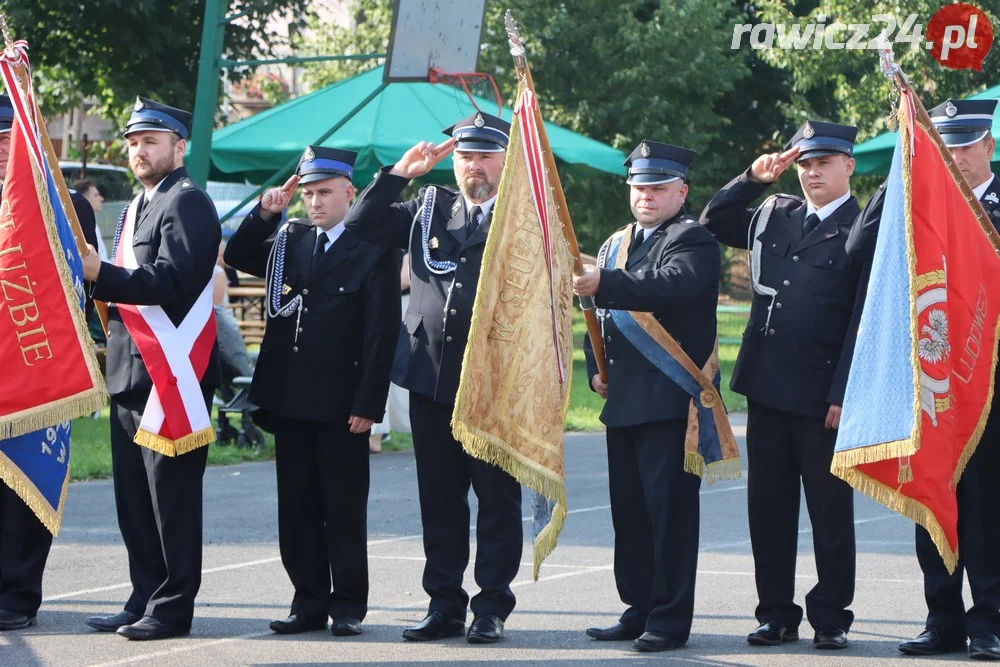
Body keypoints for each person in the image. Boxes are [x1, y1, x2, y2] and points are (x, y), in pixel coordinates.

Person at [343, 111, 522, 644]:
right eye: (466, 155)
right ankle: (444, 603)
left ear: (505, 161)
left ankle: (491, 606)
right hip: (430, 376)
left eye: (486, 155)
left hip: (493, 382)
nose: (475, 165)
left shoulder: (525, 216)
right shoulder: (428, 207)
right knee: (439, 498)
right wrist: (400, 174)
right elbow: (360, 223)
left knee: (495, 500)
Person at [700, 121, 866, 650]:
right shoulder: (777, 213)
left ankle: (832, 615)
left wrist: (843, 391)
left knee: (829, 511)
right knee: (768, 510)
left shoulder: (865, 228)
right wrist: (752, 178)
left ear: (848, 166)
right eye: (804, 164)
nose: (812, 172)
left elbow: (863, 317)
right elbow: (714, 221)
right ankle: (775, 612)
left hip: (822, 396)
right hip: (768, 387)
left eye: (823, 162)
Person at [847, 99, 1000, 661]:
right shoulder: (917, 207)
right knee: (931, 490)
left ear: (988, 145)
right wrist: (898, 182)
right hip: (930, 380)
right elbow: (855, 250)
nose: (955, 156)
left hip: (987, 383)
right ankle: (942, 619)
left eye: (964, 144)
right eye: (945, 146)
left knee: (985, 506)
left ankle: (988, 620)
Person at [224, 146, 399, 637]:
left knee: (342, 505)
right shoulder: (292, 238)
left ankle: (347, 605)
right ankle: (307, 601)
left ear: (349, 192)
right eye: (307, 194)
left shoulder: (373, 247)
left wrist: (369, 404)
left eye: (324, 193)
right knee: (296, 505)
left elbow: (380, 333)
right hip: (289, 395)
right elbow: (237, 256)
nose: (314, 203)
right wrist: (265, 214)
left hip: (341, 400)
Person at [81, 97, 221, 641]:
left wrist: (103, 272)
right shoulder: (141, 204)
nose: (140, 151)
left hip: (170, 378)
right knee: (134, 500)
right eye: (134, 142)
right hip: (130, 372)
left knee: (172, 502)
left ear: (178, 146)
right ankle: (144, 595)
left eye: (151, 141)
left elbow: (173, 283)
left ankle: (172, 608)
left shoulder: (188, 203)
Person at [575, 141, 720, 652]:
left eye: (658, 187)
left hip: (671, 401)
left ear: (681, 191)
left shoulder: (693, 239)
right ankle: (637, 607)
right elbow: (600, 319)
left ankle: (669, 619)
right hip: (626, 401)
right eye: (639, 187)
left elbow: (668, 287)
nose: (646, 196)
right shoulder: (617, 243)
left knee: (670, 517)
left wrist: (603, 282)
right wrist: (595, 369)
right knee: (630, 515)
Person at [0, 95, 98, 632]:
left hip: (38, 364)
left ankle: (17, 595)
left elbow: (75, 287)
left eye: (6, 139)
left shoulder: (63, 203)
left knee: (22, 485)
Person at [370, 251, 412, 453]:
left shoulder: (406, 240)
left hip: (401, 306)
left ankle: (376, 434)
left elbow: (405, 279)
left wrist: (373, 287)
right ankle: (376, 433)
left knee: (384, 367)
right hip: (392, 303)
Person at [71, 178, 109, 260]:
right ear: (84, 199)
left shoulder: (94, 226)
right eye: (96, 195)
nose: (101, 199)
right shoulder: (81, 228)